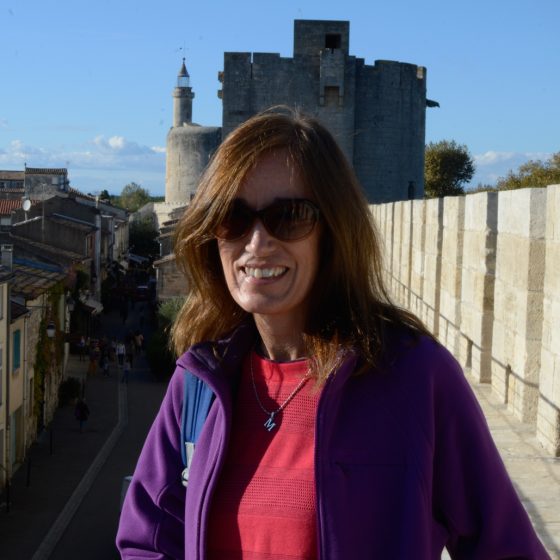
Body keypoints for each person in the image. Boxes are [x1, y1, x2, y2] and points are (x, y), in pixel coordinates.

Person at [117, 108, 550, 559]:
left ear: (333, 231)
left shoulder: (414, 379)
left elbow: (506, 546)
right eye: (233, 217)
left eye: (290, 216)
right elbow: (147, 538)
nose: (257, 242)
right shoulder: (199, 384)